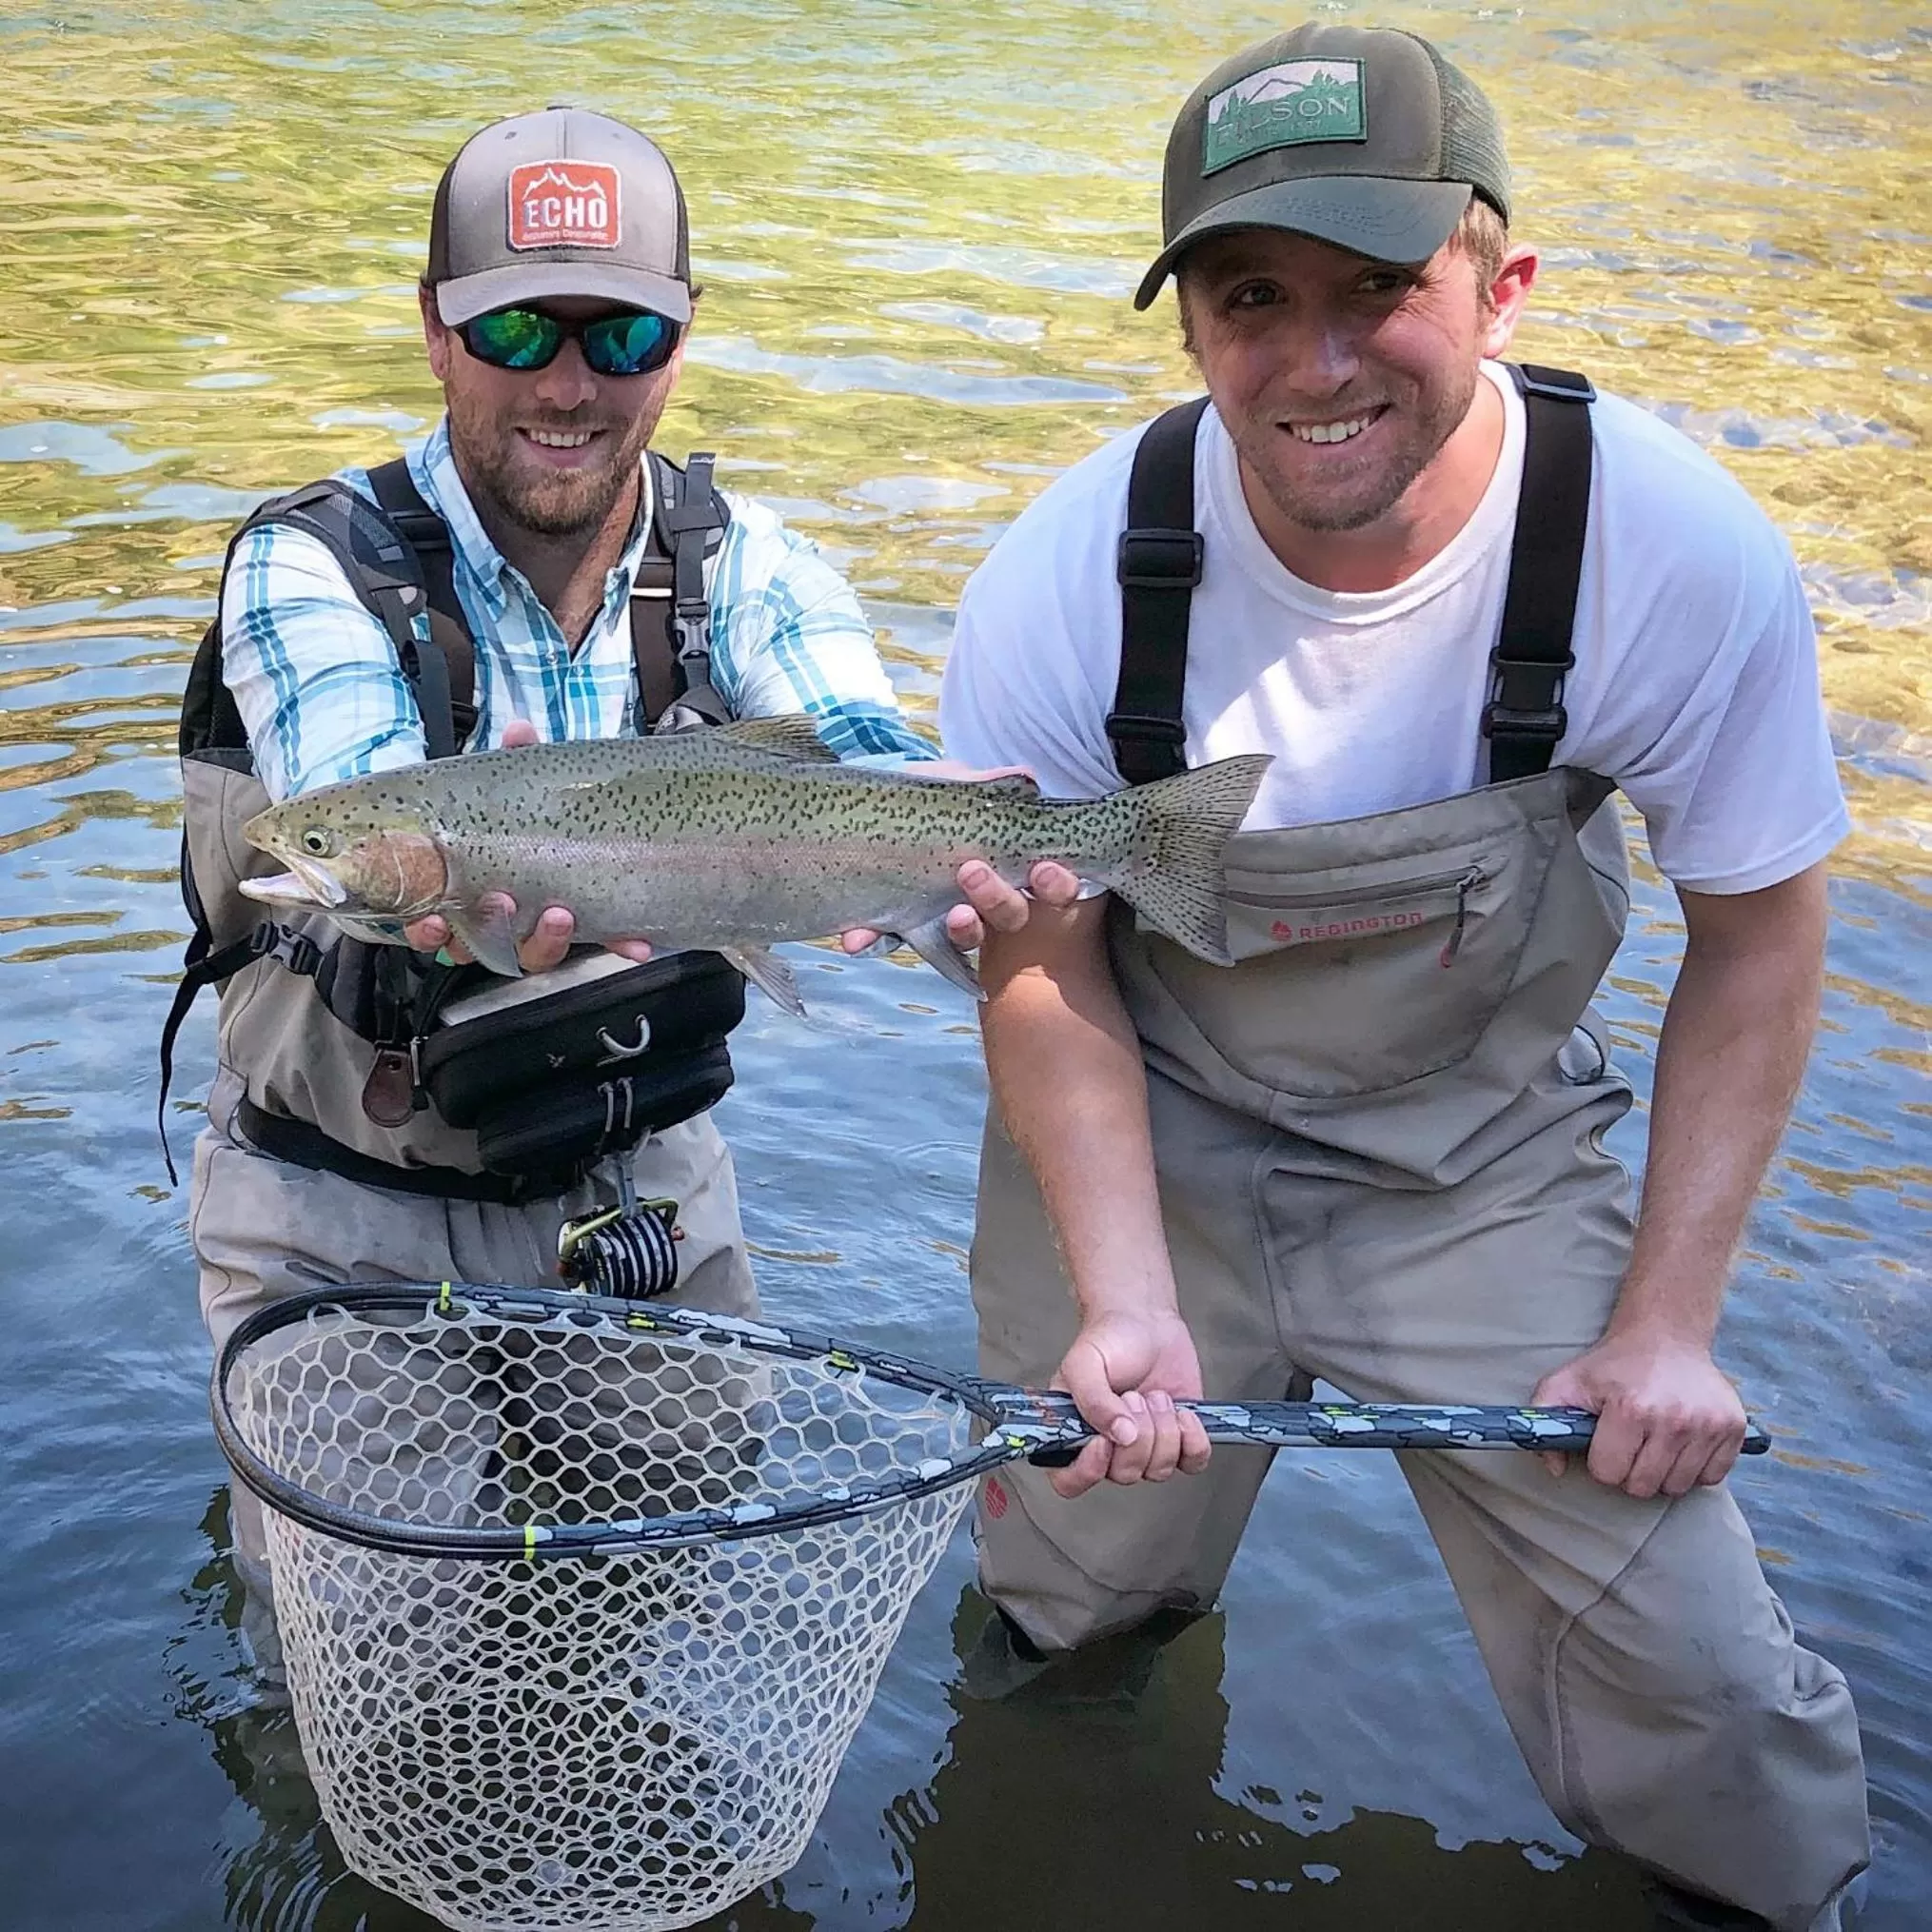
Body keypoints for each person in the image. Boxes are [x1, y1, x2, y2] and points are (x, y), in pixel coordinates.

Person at [938, 24, 1870, 1932]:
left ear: (1499, 283)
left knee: (1699, 1687)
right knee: (1065, 1598)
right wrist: (1121, 1305)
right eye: (1250, 296)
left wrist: (1669, 1324)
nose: (1317, 357)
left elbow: (1762, 935)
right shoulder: (1062, 577)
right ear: (1188, 321)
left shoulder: (1667, 551)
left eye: (1384, 289)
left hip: (1480, 1153)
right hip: (1146, 1123)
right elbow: (1040, 969)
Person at [175, 105, 1039, 1660]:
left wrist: (956, 836)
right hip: (339, 1202)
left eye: (619, 330)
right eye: (514, 324)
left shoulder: (750, 565)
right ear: (436, 334)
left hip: (638, 1181)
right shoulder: (311, 563)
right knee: (369, 1646)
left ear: (679, 340)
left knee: (640, 1593)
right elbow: (349, 804)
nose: (568, 381)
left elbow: (855, 740)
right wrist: (459, 885)